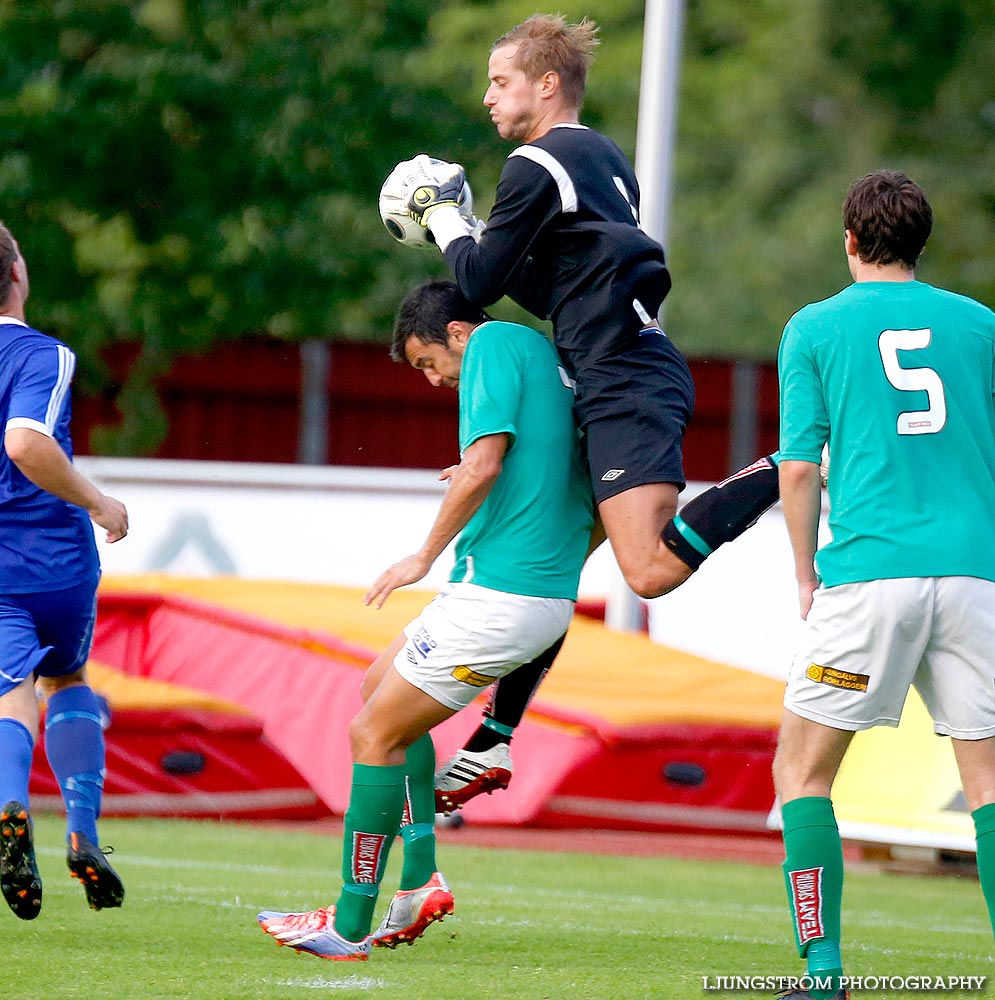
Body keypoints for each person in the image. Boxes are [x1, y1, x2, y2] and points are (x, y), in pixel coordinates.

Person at [257, 280, 594, 960]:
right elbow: (549, 476)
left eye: (427, 362)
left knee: (370, 733)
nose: (435, 380)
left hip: (499, 597)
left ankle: (349, 925)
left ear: (459, 334)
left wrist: (421, 556)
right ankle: (416, 879)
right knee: (377, 695)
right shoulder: (545, 358)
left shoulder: (495, 343)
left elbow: (483, 463)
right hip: (516, 592)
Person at [401, 13, 781, 606]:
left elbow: (476, 282)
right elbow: (553, 293)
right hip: (623, 368)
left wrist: (440, 215)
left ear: (546, 84)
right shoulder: (603, 155)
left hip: (624, 375)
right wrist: (473, 230)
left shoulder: (535, 163)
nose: (488, 96)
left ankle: (789, 465)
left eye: (501, 81)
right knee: (551, 563)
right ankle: (503, 706)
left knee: (650, 569)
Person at [774, 170, 995, 1000]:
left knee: (802, 773)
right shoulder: (979, 326)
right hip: (977, 577)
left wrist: (804, 573)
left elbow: (799, 469)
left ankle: (823, 972)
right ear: (919, 242)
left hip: (869, 574)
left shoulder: (816, 327)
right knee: (988, 787)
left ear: (850, 240)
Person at [0, 221, 129, 919]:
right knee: (67, 676)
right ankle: (82, 829)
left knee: (9, 686)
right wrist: (98, 500)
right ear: (18, 276)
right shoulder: (42, 354)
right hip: (54, 555)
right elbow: (26, 441)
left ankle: (8, 805)